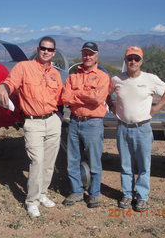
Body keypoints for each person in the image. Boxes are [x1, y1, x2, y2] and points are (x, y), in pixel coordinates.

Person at [0, 36, 63, 217]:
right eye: (43, 48)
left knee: (49, 163)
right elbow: (10, 82)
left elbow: (62, 97)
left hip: (53, 120)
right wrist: (2, 87)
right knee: (37, 161)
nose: (46, 51)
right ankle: (31, 201)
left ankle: (42, 194)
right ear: (38, 49)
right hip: (33, 122)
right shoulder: (24, 67)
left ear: (54, 52)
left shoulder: (55, 74)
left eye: (49, 49)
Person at [109, 46, 165, 211]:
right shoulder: (116, 79)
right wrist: (112, 106)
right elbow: (105, 93)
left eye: (136, 59)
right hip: (123, 128)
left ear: (141, 61)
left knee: (144, 165)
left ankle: (142, 196)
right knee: (125, 164)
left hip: (143, 128)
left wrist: (155, 109)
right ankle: (127, 194)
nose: (133, 61)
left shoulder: (150, 79)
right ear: (125, 61)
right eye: (129, 58)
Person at [61, 42, 110, 208]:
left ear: (97, 56)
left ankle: (95, 194)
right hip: (75, 121)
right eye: (85, 54)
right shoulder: (73, 76)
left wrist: (77, 94)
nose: (87, 57)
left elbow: (98, 99)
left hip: (93, 124)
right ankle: (76, 191)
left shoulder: (103, 77)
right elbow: (65, 98)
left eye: (91, 54)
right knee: (72, 160)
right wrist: (86, 95)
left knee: (94, 160)